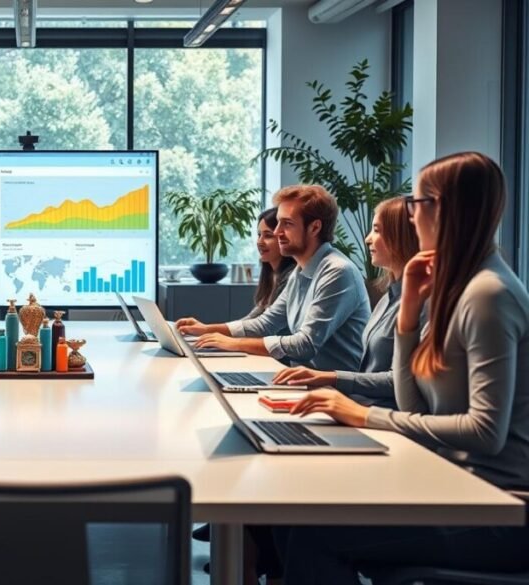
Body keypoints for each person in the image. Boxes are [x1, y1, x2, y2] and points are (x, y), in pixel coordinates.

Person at [277, 152, 529, 584]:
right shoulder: (454, 287)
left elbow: (485, 433)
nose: (410, 217)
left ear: (447, 210)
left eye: (417, 204)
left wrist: (363, 415)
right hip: (452, 482)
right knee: (293, 506)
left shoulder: (489, 295)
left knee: (310, 529)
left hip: (498, 507)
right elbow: (417, 405)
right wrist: (408, 316)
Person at [177, 185, 370, 372]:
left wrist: (234, 343)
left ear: (315, 227)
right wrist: (206, 329)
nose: (277, 231)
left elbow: (305, 344)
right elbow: (265, 324)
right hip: (303, 382)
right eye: (278, 222)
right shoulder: (301, 271)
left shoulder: (337, 272)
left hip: (337, 392)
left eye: (287, 223)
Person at [271, 196, 420, 408]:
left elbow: (402, 381)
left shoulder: (422, 304)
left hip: (378, 414)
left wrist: (330, 377)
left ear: (402, 237)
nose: (368, 239)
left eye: (377, 230)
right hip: (360, 404)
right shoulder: (388, 297)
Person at [244, 207, 297, 320]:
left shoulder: (291, 276)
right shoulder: (270, 274)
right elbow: (253, 318)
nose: (259, 242)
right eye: (259, 235)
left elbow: (265, 325)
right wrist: (210, 330)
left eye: (268, 236)